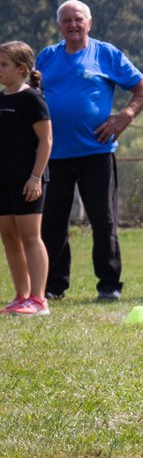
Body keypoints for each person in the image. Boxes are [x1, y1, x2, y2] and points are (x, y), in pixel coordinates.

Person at [36, 0, 143, 302]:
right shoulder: (47, 57)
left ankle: (109, 285)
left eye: (78, 20)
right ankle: (54, 285)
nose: (73, 25)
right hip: (55, 154)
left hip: (96, 152)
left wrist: (124, 117)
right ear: (58, 26)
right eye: (67, 21)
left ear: (90, 23)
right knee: (52, 223)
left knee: (103, 221)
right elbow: (33, 93)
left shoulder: (106, 54)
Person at [0, 42, 52, 315]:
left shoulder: (32, 98)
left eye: (4, 65)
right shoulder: (1, 98)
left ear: (22, 69)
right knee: (9, 237)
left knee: (30, 237)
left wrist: (35, 177)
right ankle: (21, 296)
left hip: (27, 181)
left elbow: (46, 141)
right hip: (3, 180)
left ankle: (39, 299)